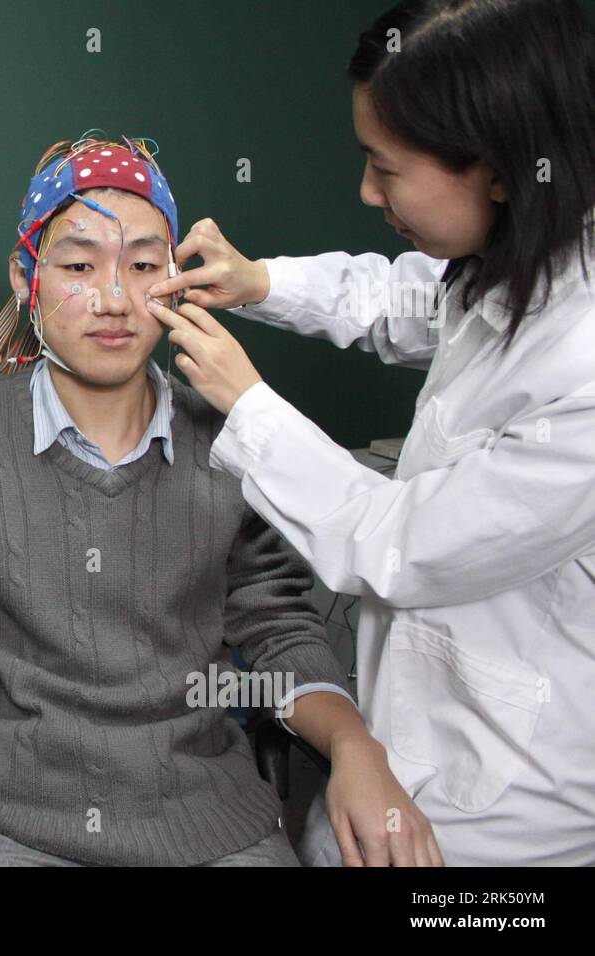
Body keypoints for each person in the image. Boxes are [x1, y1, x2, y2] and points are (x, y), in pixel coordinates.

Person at [0, 135, 438, 867]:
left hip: (213, 823)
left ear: (175, 279)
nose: (113, 299)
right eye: (79, 266)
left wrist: (356, 745)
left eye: (143, 266)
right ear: (26, 277)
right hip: (5, 826)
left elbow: (279, 631)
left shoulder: (235, 442)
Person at [149, 0, 595, 865]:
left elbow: (402, 546)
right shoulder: (515, 261)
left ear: (499, 170)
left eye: (385, 168)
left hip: (511, 814)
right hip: (403, 745)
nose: (366, 192)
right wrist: (262, 281)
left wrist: (248, 405)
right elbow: (405, 297)